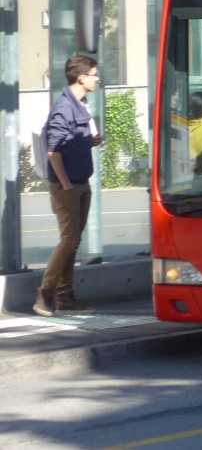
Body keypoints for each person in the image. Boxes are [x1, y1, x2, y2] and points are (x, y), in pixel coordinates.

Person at [33, 55, 103, 317]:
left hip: (81, 181)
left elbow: (71, 142)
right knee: (69, 240)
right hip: (68, 185)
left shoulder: (80, 103)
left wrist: (89, 141)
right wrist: (65, 185)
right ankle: (45, 293)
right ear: (81, 77)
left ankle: (65, 296)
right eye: (94, 74)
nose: (97, 78)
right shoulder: (64, 107)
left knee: (73, 242)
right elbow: (53, 151)